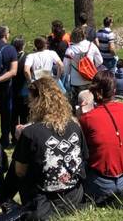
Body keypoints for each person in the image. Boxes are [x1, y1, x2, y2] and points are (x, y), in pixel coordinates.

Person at [13, 77, 87, 219]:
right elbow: (83, 157)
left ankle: (2, 201)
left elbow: (20, 172)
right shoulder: (75, 126)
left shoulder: (31, 133)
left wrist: (22, 145)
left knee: (19, 162)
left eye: (30, 100)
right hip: (75, 195)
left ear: (39, 102)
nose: (28, 105)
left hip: (44, 202)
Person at [79, 70, 123, 202]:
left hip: (102, 184)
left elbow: (81, 150)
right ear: (114, 90)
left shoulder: (86, 118)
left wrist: (80, 115)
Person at [63, 27, 103, 102]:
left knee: (78, 102)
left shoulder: (70, 50)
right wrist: (90, 67)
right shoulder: (91, 46)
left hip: (76, 81)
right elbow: (100, 61)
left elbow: (65, 68)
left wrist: (70, 73)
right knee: (91, 100)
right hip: (90, 77)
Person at [10, 37, 28, 146]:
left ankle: (15, 138)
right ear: (23, 46)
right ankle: (24, 137)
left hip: (12, 90)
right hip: (24, 91)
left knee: (14, 116)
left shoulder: (10, 57)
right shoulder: (27, 57)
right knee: (24, 116)